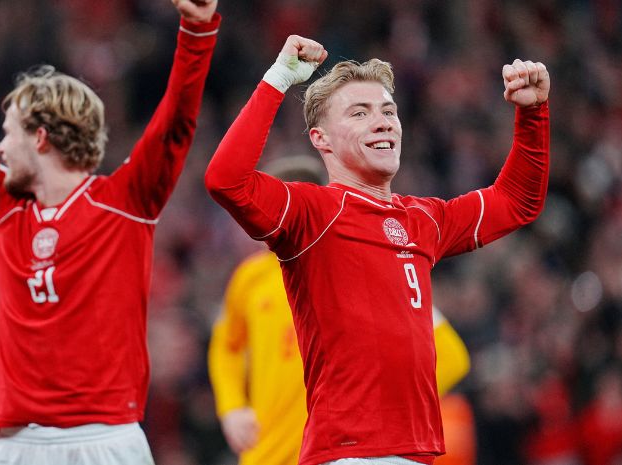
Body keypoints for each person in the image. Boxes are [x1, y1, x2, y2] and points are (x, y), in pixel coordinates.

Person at [0, 1, 220, 463]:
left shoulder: (125, 201)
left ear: (41, 138)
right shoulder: (1, 202)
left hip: (105, 437)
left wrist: (196, 30)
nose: (1, 147)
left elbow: (177, 122)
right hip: (19, 444)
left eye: (9, 133)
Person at [204, 34, 549, 465]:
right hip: (349, 454)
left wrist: (532, 114)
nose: (383, 122)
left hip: (417, 450)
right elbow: (226, 180)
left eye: (388, 111)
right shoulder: (311, 213)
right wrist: (278, 80)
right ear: (321, 139)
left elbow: (517, 202)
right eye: (360, 113)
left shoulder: (423, 219)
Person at [208, 156, 472, 465]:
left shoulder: (365, 266)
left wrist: (381, 413)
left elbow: (452, 357)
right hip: (266, 452)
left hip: (337, 451)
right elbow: (227, 346)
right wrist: (231, 408)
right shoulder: (250, 278)